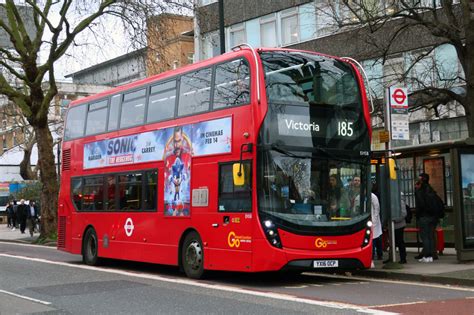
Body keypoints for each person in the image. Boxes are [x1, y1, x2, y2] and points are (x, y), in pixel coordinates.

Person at [415, 173, 438, 263]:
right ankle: (432, 255)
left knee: (425, 237)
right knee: (431, 236)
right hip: (433, 217)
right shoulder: (431, 189)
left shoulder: (420, 191)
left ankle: (427, 256)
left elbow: (421, 204)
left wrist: (418, 214)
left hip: (424, 216)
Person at [393, 193, 407, 264]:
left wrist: (395, 220)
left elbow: (403, 213)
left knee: (400, 241)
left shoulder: (400, 200)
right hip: (395, 224)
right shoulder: (394, 200)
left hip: (399, 224)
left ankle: (403, 258)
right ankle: (392, 257)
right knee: (394, 242)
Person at [371, 192, 383, 260]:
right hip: (369, 221)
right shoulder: (359, 196)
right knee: (373, 238)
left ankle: (379, 254)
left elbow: (377, 208)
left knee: (377, 238)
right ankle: (373, 255)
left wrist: (374, 219)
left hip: (374, 221)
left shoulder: (373, 196)